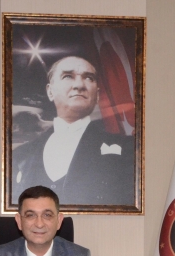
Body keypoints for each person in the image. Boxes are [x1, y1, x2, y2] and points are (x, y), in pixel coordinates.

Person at [11, 56, 135, 206]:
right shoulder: (21, 155)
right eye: (68, 76)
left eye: (89, 78)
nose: (79, 85)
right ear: (50, 91)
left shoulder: (129, 149)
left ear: (97, 95)